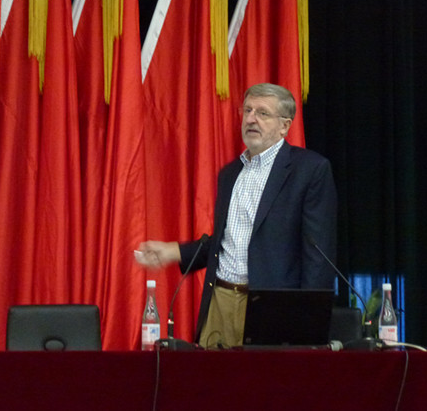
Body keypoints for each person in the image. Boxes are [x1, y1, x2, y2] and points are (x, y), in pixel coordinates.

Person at [136, 83, 337, 349]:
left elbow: (318, 256)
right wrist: (174, 251)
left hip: (270, 309)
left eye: (262, 113)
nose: (251, 119)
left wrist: (307, 325)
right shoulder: (230, 174)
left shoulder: (309, 170)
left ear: (284, 126)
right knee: (211, 375)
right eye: (248, 111)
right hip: (219, 300)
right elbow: (228, 242)